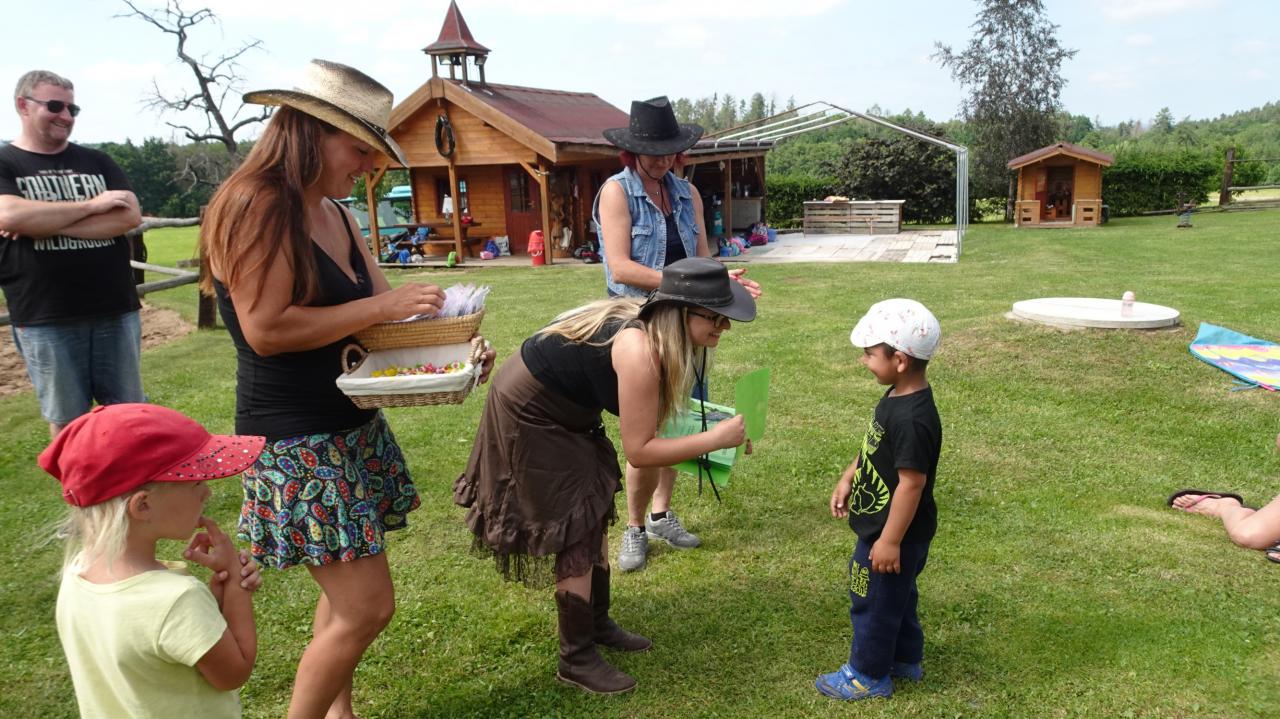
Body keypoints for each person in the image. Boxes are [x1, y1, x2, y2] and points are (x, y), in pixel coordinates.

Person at [199, 59, 494, 719]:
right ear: (311, 133)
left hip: (348, 424)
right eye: (360, 148)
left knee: (341, 600)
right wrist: (381, 309)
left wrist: (453, 352)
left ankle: (340, 713)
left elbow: (384, 325)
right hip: (294, 438)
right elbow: (267, 329)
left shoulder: (333, 211)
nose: (368, 165)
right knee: (366, 607)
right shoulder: (256, 205)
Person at [454, 257, 756, 695]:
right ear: (679, 312)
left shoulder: (659, 337)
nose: (724, 327)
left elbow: (665, 420)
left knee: (592, 511)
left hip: (566, 412)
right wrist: (715, 439)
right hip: (531, 416)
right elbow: (641, 450)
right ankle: (575, 658)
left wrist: (722, 432)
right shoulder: (640, 350)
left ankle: (596, 623)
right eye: (716, 317)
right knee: (576, 521)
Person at [593, 95, 762, 572]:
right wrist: (685, 286)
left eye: (669, 151)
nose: (662, 160)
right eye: (652, 152)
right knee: (647, 430)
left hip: (688, 319)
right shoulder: (616, 192)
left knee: (680, 418)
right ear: (632, 151)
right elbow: (621, 267)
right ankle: (634, 526)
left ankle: (661, 514)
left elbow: (702, 258)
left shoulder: (687, 193)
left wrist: (721, 281)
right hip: (641, 322)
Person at [40, 403, 265, 718]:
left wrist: (215, 602)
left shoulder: (77, 575)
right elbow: (233, 673)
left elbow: (152, 642)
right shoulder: (177, 600)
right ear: (143, 505)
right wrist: (237, 585)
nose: (207, 493)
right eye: (197, 482)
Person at [0, 70, 145, 438]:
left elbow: (128, 216)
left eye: (72, 108)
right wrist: (93, 206)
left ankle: (124, 480)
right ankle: (76, 480)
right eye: (55, 106)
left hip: (115, 309)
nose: (65, 116)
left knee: (129, 415)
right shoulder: (6, 162)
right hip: (45, 315)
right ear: (23, 105)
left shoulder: (98, 161)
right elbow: (9, 215)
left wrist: (42, 223)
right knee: (68, 423)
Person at [818, 298, 943, 701]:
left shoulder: (912, 418)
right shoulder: (896, 396)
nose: (864, 361)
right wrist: (848, 477)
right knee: (897, 598)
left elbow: (911, 484)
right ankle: (905, 659)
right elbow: (874, 446)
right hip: (889, 531)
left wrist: (889, 541)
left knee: (871, 600)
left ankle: (867, 675)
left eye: (870, 354)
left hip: (892, 535)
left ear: (900, 360)